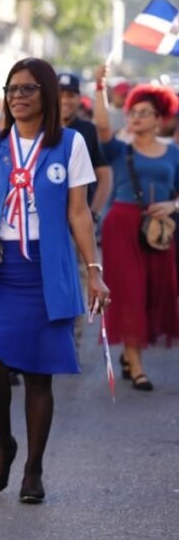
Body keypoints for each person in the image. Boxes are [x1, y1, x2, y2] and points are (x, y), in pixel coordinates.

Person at [0, 58, 108, 504]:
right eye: (11, 89)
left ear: (48, 94)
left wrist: (94, 272)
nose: (17, 96)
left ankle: (33, 468)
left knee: (39, 376)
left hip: (47, 270)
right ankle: (5, 442)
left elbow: (78, 212)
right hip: (2, 269)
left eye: (28, 88)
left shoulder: (70, 144)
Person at [93, 65, 179, 391]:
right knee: (130, 293)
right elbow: (102, 126)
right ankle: (137, 366)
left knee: (153, 294)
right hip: (123, 225)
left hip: (159, 231)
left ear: (160, 119)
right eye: (133, 112)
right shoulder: (120, 148)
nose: (137, 117)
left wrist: (174, 205)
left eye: (145, 113)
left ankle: (131, 355)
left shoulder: (173, 153)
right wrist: (101, 86)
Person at [58, 72, 112, 218]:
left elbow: (104, 175)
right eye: (60, 95)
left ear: (79, 99)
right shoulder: (39, 129)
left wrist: (93, 213)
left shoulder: (88, 130)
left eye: (70, 95)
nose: (65, 100)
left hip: (80, 216)